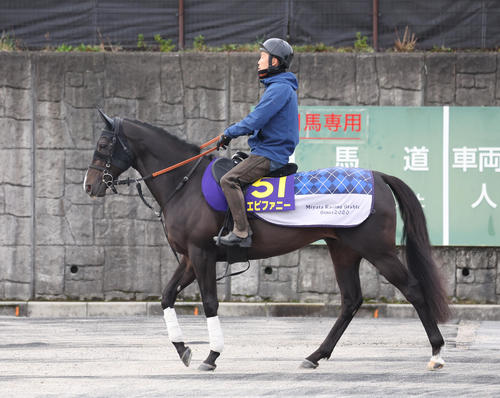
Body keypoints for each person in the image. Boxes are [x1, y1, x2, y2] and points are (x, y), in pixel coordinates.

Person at [214, 38, 299, 247]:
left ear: (275, 62)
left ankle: (242, 232)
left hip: (270, 154)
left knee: (228, 180)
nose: (258, 62)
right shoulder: (279, 87)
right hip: (266, 150)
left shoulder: (279, 89)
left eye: (262, 57)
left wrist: (228, 133)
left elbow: (255, 120)